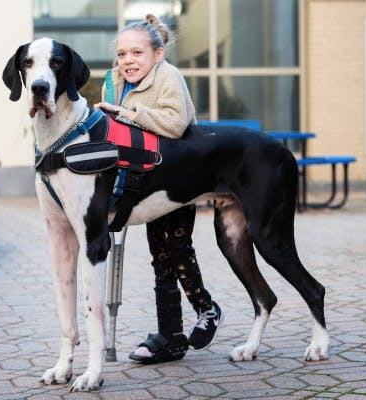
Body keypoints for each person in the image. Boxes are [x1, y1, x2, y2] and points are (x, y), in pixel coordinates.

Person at [95, 14, 222, 364]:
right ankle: (171, 336)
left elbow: (176, 123)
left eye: (136, 53)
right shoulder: (114, 82)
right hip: (143, 181)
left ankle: (207, 308)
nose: (128, 61)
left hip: (180, 179)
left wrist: (129, 112)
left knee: (177, 247)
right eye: (122, 54)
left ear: (158, 54)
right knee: (159, 256)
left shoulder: (168, 76)